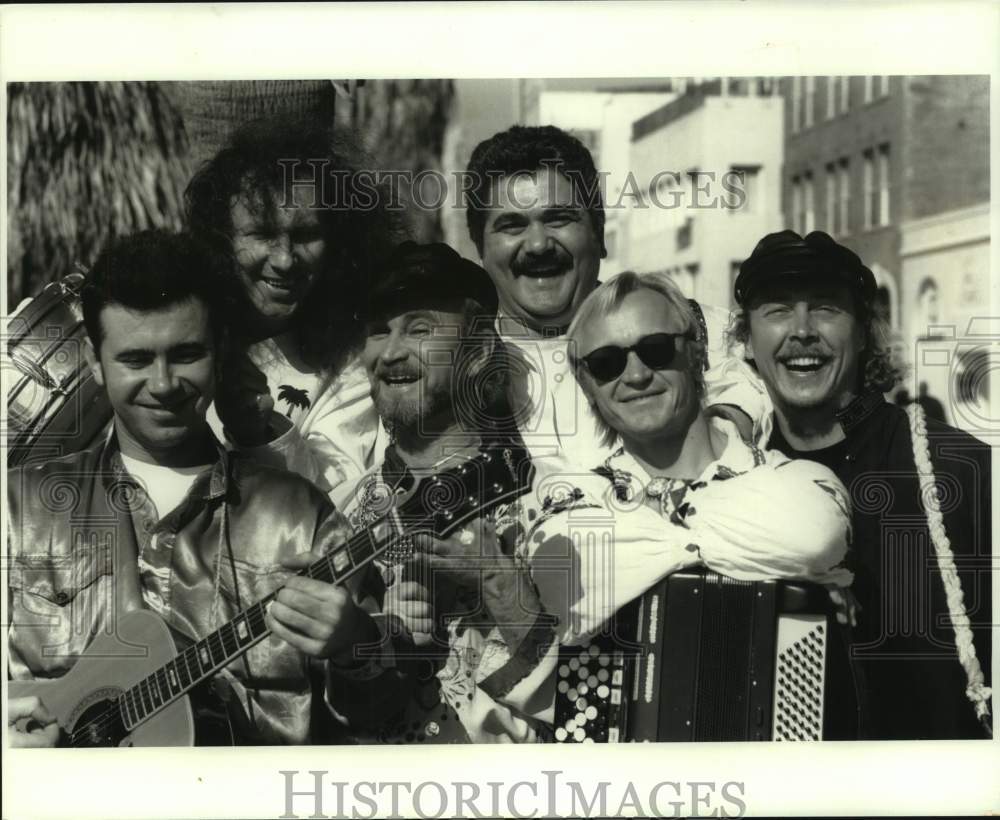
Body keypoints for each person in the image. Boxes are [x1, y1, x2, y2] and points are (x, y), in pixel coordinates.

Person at [328, 244, 852, 744]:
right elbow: (565, 696)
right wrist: (361, 645)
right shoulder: (564, 508)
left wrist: (652, 528)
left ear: (697, 354)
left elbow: (812, 532)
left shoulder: (549, 503)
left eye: (655, 349)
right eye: (605, 364)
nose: (636, 373)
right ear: (585, 383)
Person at [6, 231, 380, 745]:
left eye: (185, 355)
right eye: (135, 360)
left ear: (221, 349)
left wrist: (357, 650)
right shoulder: (16, 506)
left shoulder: (300, 517)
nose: (162, 384)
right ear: (94, 360)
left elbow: (377, 723)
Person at [729, 229, 992, 739]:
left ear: (865, 331)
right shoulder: (728, 480)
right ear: (747, 339)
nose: (802, 330)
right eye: (777, 310)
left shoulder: (962, 469)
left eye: (826, 308)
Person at [463, 125, 769, 469]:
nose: (538, 245)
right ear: (480, 248)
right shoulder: (451, 368)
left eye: (559, 218)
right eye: (512, 226)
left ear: (599, 232)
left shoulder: (704, 331)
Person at [185, 116, 401, 508]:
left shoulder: (349, 362)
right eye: (263, 234)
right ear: (221, 239)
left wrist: (261, 433)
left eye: (305, 236)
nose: (285, 260)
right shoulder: (179, 326)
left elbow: (339, 500)